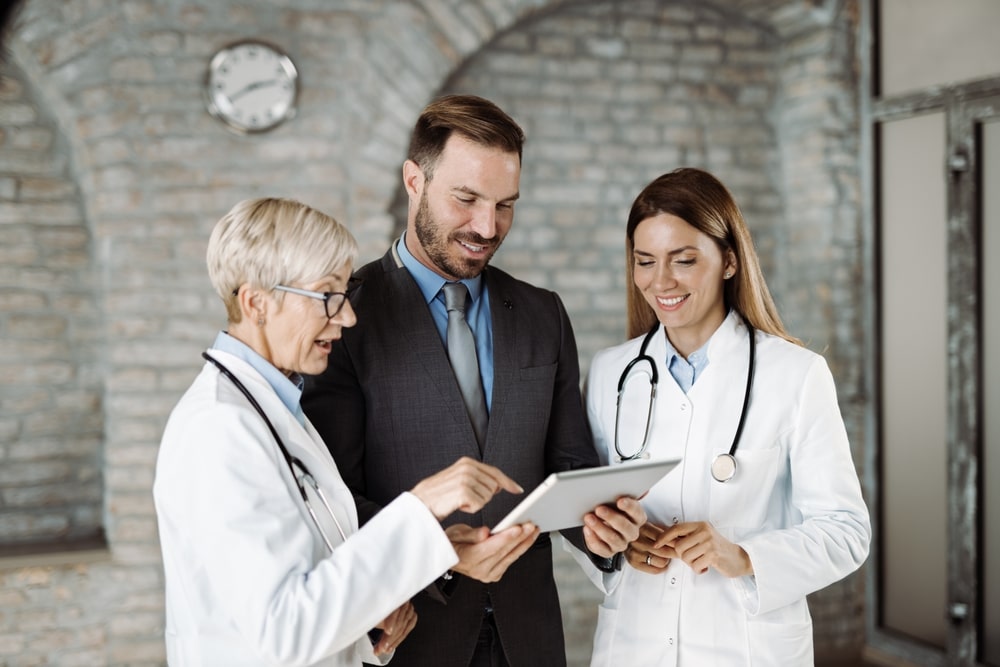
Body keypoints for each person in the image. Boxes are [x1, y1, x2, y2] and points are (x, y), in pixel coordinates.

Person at [302, 94, 645, 667]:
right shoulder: (346, 318)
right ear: (414, 181)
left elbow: (569, 464)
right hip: (411, 635)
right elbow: (332, 503)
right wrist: (438, 553)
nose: (487, 227)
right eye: (466, 200)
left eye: (505, 205)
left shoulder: (542, 313)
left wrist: (603, 531)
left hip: (529, 635)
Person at [153, 197, 526, 667]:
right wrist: (421, 506)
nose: (347, 317)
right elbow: (285, 632)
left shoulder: (281, 409)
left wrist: (370, 625)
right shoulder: (218, 430)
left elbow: (312, 580)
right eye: (327, 297)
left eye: (344, 295)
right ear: (257, 303)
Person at [574, 168, 871, 665]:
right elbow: (588, 519)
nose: (660, 281)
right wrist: (613, 547)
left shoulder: (796, 375)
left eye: (684, 260)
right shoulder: (610, 374)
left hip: (746, 646)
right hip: (634, 642)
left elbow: (846, 530)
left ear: (729, 260)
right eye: (644, 261)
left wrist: (744, 555)